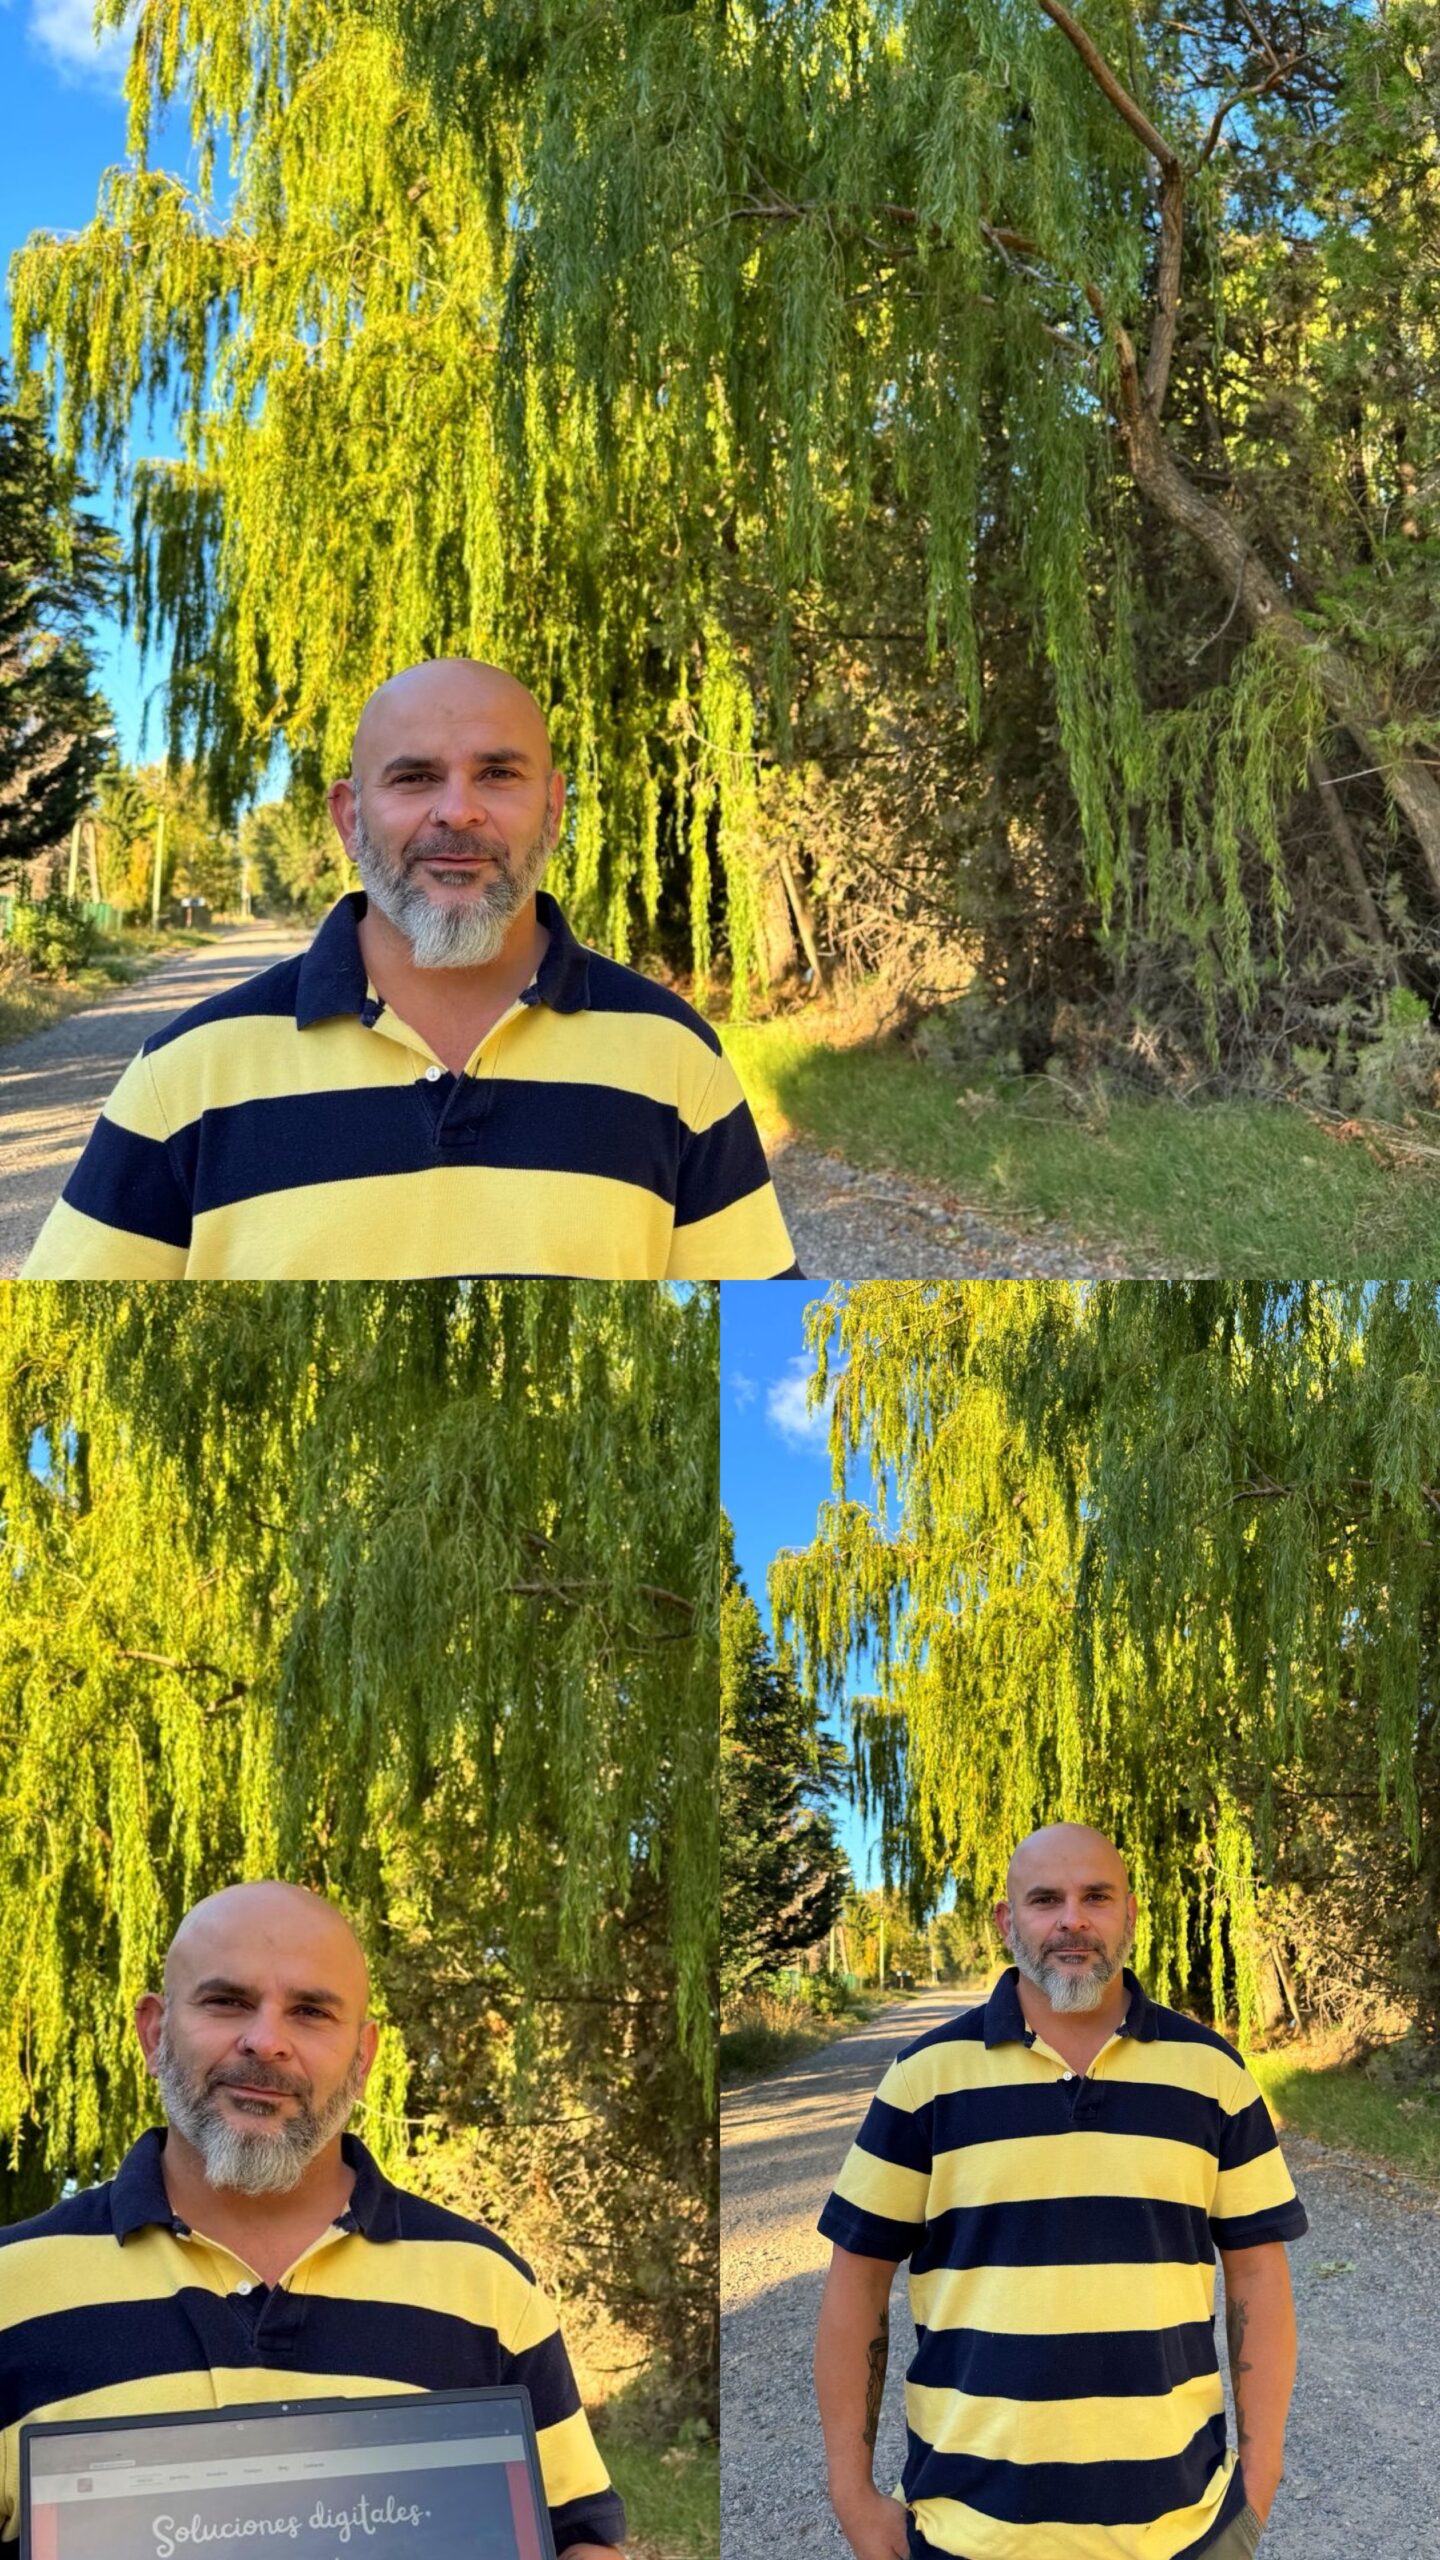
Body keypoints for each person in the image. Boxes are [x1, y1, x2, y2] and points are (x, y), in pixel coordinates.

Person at [22, 659, 799, 1278]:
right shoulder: (184, 1078)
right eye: (415, 777)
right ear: (349, 817)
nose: (457, 811)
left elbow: (745, 1363)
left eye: (498, 774)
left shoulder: (674, 1060)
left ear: (555, 810)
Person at [0, 1881, 626, 2558]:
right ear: (154, 2031)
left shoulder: (486, 2285)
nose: (266, 2041)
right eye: (227, 2001)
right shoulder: (12, 2287)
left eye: (311, 2012)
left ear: (362, 2058)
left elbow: (579, 2538)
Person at [815, 1823, 1306, 2560]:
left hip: (1177, 2531)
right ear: (1006, 1922)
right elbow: (856, 2286)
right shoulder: (924, 2079)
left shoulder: (1214, 2077)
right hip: (969, 2532)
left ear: (1131, 1914)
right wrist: (852, 2496)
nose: (1072, 1920)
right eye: (1045, 1899)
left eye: (1095, 1897)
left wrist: (1257, 2481)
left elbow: (1260, 2277)